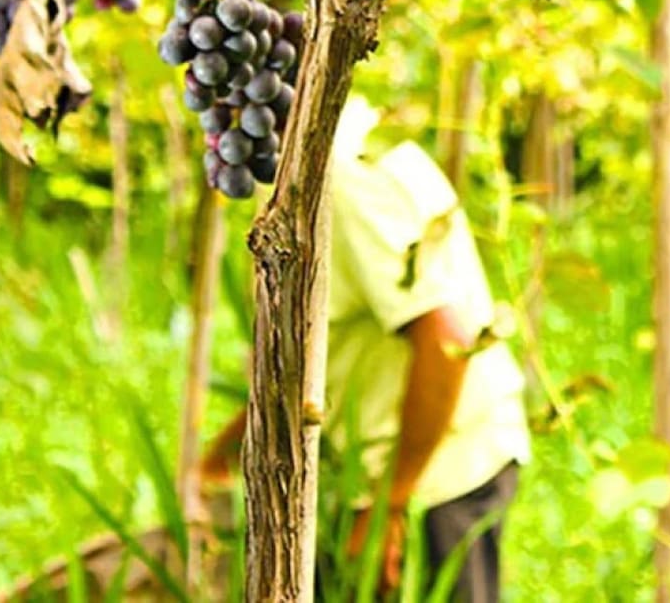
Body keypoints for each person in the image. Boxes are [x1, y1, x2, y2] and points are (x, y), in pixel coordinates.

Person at [201, 98, 530, 602]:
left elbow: (445, 341)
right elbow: (320, 359)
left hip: (441, 474)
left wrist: (388, 505)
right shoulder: (352, 143)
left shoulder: (342, 180)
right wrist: (223, 459)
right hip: (383, 472)